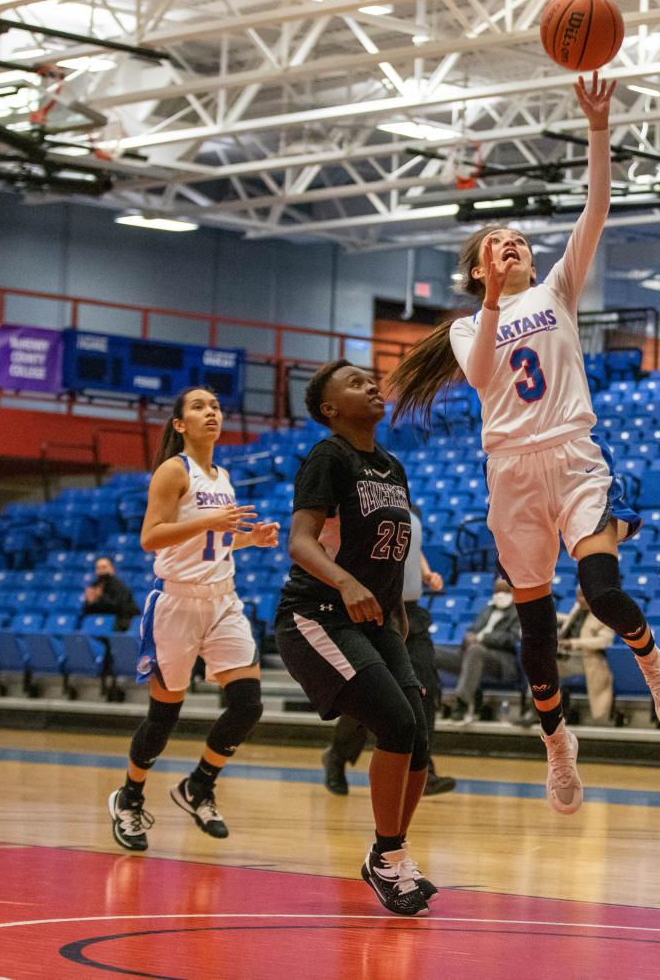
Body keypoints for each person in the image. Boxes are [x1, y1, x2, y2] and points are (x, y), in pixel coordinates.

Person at [386, 72, 660, 815]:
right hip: (511, 473)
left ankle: (651, 659)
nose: (514, 244)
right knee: (533, 630)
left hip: (574, 455)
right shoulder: (467, 326)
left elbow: (597, 206)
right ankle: (557, 747)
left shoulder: (557, 289)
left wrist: (596, 127)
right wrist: (489, 302)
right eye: (499, 243)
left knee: (600, 589)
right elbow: (485, 371)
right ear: (477, 269)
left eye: (518, 239)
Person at [274, 361, 436, 916]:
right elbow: (300, 542)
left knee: (417, 732)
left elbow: (387, 550)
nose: (372, 384)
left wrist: (394, 610)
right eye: (355, 382)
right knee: (394, 720)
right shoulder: (328, 457)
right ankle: (387, 855)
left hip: (376, 619)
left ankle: (390, 854)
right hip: (316, 614)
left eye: (373, 378)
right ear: (329, 409)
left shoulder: (391, 466)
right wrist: (345, 583)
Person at [107, 387, 279, 855]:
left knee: (248, 704)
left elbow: (212, 541)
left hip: (223, 600)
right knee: (165, 713)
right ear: (180, 424)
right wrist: (210, 523)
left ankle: (199, 785)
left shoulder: (222, 475)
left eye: (217, 406)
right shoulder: (172, 470)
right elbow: (151, 538)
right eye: (200, 407)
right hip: (176, 604)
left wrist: (250, 540)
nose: (211, 413)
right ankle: (130, 796)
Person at [323, 504, 455, 798]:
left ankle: (422, 768)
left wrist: (425, 572)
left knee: (426, 689)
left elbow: (410, 545)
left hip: (411, 611)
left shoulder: (412, 510)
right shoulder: (364, 507)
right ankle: (337, 756)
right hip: (375, 611)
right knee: (369, 696)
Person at [436, 579, 522, 723]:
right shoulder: (486, 610)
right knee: (432, 651)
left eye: (505, 591)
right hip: (471, 654)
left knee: (476, 650)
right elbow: (472, 630)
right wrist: (468, 638)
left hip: (500, 661)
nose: (501, 594)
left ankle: (462, 703)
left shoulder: (518, 612)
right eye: (498, 591)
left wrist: (481, 638)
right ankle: (431, 700)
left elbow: (510, 639)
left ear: (512, 592)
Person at [553, 588, 615, 723]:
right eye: (578, 596)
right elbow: (566, 620)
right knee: (538, 667)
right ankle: (542, 711)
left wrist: (573, 643)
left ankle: (549, 712)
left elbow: (604, 641)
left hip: (588, 659)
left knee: (546, 670)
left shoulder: (604, 615)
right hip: (566, 656)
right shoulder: (577, 611)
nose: (579, 600)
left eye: (583, 596)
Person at [83, 556, 137, 631]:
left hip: (119, 624)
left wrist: (100, 597)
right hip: (99, 624)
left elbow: (119, 607)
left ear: (112, 569)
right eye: (98, 568)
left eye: (104, 567)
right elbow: (87, 610)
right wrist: (90, 602)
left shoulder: (120, 586)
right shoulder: (94, 586)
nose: (101, 571)